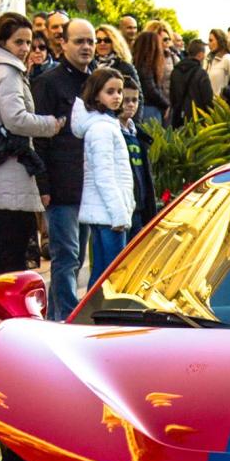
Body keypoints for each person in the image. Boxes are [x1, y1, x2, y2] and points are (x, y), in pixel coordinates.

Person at [0, 12, 63, 326]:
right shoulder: (7, 73)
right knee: (10, 263)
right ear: (3, 41)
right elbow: (15, 119)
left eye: (29, 42)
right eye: (19, 41)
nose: (25, 48)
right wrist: (52, 124)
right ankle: (1, 327)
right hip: (4, 184)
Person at [32, 18, 95, 319]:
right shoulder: (48, 82)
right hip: (60, 185)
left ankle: (57, 320)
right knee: (66, 257)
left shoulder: (96, 83)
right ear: (64, 44)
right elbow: (38, 139)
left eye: (90, 41)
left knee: (78, 258)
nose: (86, 47)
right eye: (79, 41)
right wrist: (43, 185)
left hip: (88, 187)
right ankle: (66, 321)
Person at [72, 68, 133, 288]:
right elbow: (104, 175)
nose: (117, 96)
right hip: (109, 214)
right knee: (113, 276)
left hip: (104, 212)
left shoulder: (106, 125)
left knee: (101, 273)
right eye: (110, 91)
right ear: (96, 94)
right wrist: (119, 214)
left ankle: (92, 317)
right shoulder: (101, 129)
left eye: (119, 91)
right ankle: (97, 318)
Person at [118, 76, 158, 240]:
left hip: (140, 207)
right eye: (126, 100)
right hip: (124, 208)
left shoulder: (138, 134)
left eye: (134, 100)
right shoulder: (114, 132)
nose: (131, 104)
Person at [169, 39, 214, 126]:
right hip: (197, 120)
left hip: (178, 118)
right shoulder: (201, 73)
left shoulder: (176, 70)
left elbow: (172, 96)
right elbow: (208, 99)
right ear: (200, 55)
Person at [132, 31, 170, 125]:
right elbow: (150, 90)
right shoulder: (145, 67)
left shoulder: (136, 64)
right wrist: (166, 104)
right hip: (149, 109)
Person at [204, 29, 230, 97]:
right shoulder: (209, 61)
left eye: (211, 40)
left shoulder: (229, 59)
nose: (209, 43)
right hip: (209, 105)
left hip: (223, 105)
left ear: (220, 40)